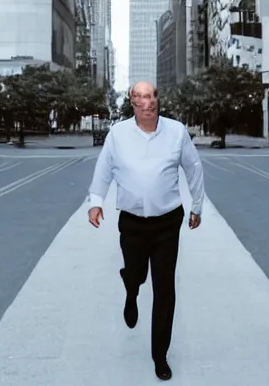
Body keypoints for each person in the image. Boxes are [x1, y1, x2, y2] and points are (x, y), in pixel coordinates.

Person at [87, 81, 204, 381]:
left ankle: (159, 356)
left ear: (157, 100)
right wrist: (95, 202)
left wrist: (197, 206)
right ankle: (131, 289)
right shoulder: (118, 134)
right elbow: (104, 169)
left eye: (151, 96)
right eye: (140, 97)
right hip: (132, 223)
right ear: (132, 103)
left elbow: (193, 167)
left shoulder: (176, 131)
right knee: (136, 273)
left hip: (167, 222)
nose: (147, 102)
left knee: (165, 290)